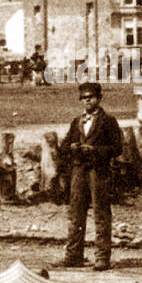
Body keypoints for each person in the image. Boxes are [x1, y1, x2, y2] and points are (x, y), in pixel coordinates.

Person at [58, 81, 123, 270]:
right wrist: (72, 148)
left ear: (99, 98)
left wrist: (95, 150)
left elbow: (117, 148)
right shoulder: (77, 121)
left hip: (98, 170)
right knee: (76, 213)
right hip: (79, 170)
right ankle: (73, 255)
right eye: (84, 98)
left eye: (91, 97)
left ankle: (102, 257)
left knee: (101, 213)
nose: (87, 101)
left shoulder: (108, 121)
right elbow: (64, 146)